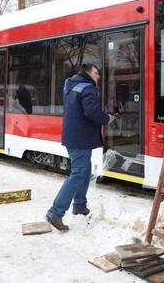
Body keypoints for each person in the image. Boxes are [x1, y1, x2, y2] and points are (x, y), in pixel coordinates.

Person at [46, 64, 116, 231]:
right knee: (79, 172)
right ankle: (55, 212)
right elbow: (91, 111)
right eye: (96, 73)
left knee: (85, 170)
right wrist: (107, 118)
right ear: (87, 73)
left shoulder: (72, 86)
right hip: (81, 138)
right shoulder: (88, 88)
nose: (98, 76)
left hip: (75, 137)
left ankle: (79, 206)